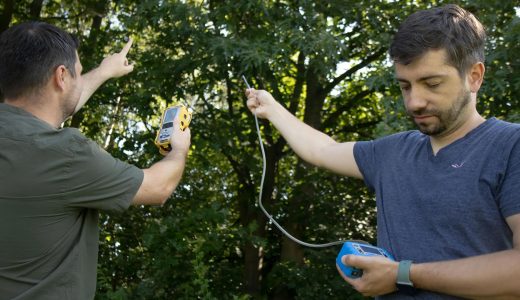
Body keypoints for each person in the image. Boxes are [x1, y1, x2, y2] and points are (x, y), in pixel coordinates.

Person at [246, 4, 520, 299]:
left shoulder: (509, 146)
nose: (415, 102)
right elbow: (322, 149)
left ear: (474, 76)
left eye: (432, 84)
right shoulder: (393, 152)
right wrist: (271, 108)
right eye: (405, 86)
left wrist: (404, 275)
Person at [0, 22, 190, 299]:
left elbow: (51, 108)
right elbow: (158, 188)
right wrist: (178, 149)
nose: (80, 79)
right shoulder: (66, 154)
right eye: (78, 73)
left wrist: (103, 71)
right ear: (61, 77)